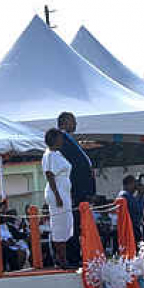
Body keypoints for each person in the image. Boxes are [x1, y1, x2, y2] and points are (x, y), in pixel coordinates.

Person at [57, 112, 95, 265]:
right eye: (73, 121)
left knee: (79, 224)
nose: (76, 124)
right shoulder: (62, 138)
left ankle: (78, 254)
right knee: (73, 223)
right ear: (64, 122)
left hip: (81, 189)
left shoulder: (70, 138)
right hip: (74, 189)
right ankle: (72, 257)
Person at [42, 128, 74, 269]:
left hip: (63, 193)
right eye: (60, 137)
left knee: (66, 224)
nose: (62, 140)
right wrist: (57, 196)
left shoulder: (57, 154)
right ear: (54, 139)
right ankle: (61, 259)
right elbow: (50, 175)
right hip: (57, 194)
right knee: (59, 226)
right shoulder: (49, 155)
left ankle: (64, 257)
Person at [118, 174, 144, 245]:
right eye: (134, 184)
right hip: (130, 228)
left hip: (130, 227)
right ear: (128, 184)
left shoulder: (126, 195)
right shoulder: (125, 195)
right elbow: (138, 210)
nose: (135, 188)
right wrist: (141, 194)